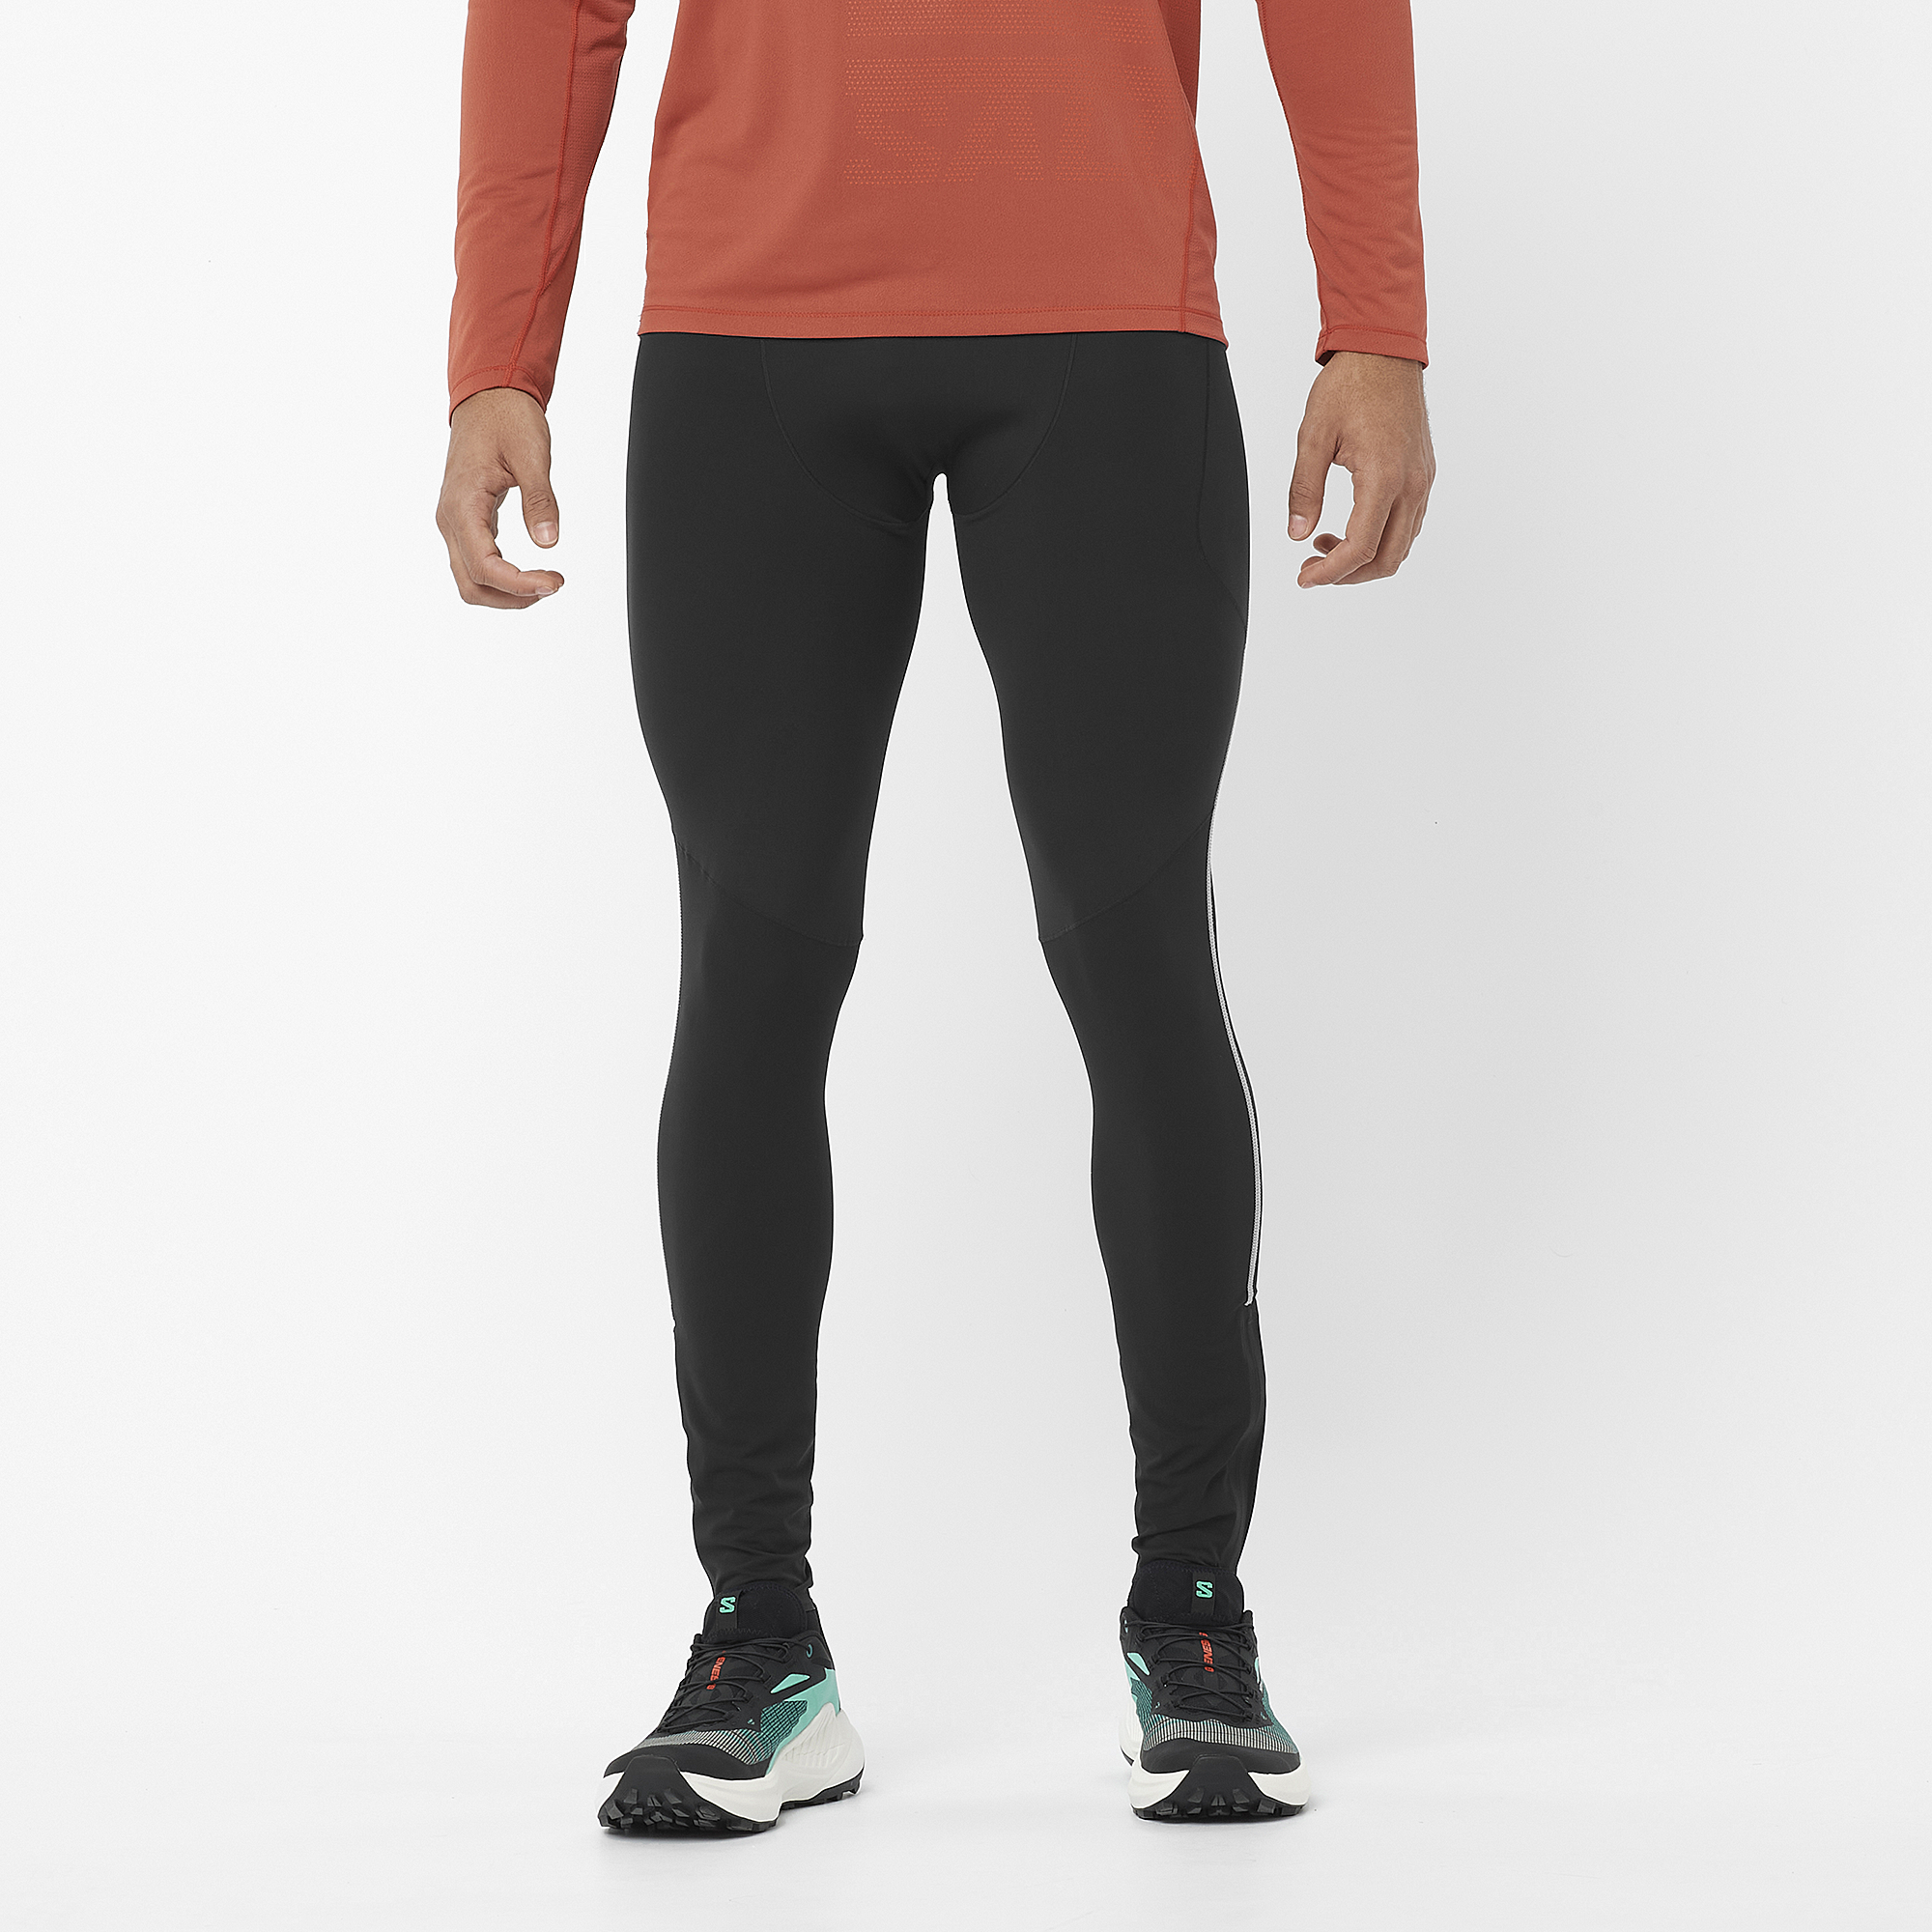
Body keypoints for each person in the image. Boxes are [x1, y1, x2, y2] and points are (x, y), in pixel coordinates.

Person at [436, 0, 1432, 1832]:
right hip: (747, 331)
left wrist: (1375, 324)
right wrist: (499, 351)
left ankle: (1192, 1614)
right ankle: (760, 1641)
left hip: (1105, 324)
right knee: (751, 971)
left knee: (1135, 952)